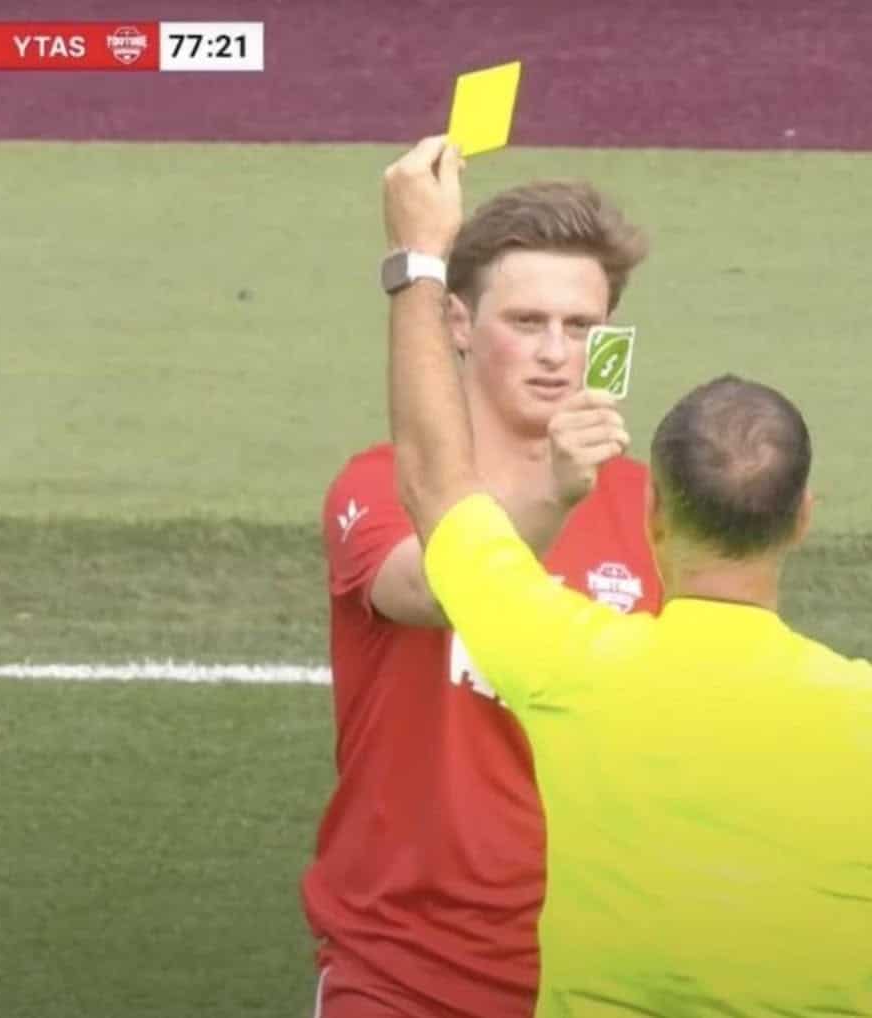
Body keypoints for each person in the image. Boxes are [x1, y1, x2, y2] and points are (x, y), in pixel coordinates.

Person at [381, 135, 872, 1018]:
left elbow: (438, 488)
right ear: (803, 517)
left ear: (653, 512)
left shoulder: (570, 666)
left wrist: (418, 259)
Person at [301, 156, 663, 1016]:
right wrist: (555, 496)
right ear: (458, 324)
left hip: (600, 975)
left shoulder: (656, 508)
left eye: (580, 325)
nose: (555, 352)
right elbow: (437, 591)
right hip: (400, 974)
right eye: (527, 321)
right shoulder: (375, 487)